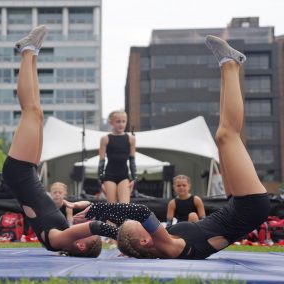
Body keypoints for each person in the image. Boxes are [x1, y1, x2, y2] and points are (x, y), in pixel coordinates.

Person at [115, 35, 270, 259]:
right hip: (250, 208)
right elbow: (141, 211)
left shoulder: (158, 241)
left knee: (222, 138)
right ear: (145, 240)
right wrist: (96, 207)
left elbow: (121, 235)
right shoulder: (171, 247)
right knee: (227, 136)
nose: (141, 221)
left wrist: (125, 248)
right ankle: (229, 63)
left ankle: (230, 65)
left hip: (234, 206)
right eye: (137, 225)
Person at [2, 25, 119, 257]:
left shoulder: (55, 240)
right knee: (37, 113)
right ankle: (31, 52)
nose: (82, 230)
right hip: (27, 173)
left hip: (19, 172)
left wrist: (122, 234)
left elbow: (96, 227)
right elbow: (89, 224)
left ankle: (26, 51)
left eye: (86, 235)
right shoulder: (63, 230)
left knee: (31, 111)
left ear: (81, 244)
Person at [98, 110, 137, 204]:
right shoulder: (105, 139)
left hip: (124, 175)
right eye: (118, 121)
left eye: (124, 121)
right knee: (112, 206)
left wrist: (134, 179)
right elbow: (101, 161)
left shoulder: (131, 139)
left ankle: (123, 219)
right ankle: (109, 219)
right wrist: (100, 181)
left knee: (124, 206)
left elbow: (132, 160)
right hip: (109, 175)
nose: (121, 124)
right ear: (111, 122)